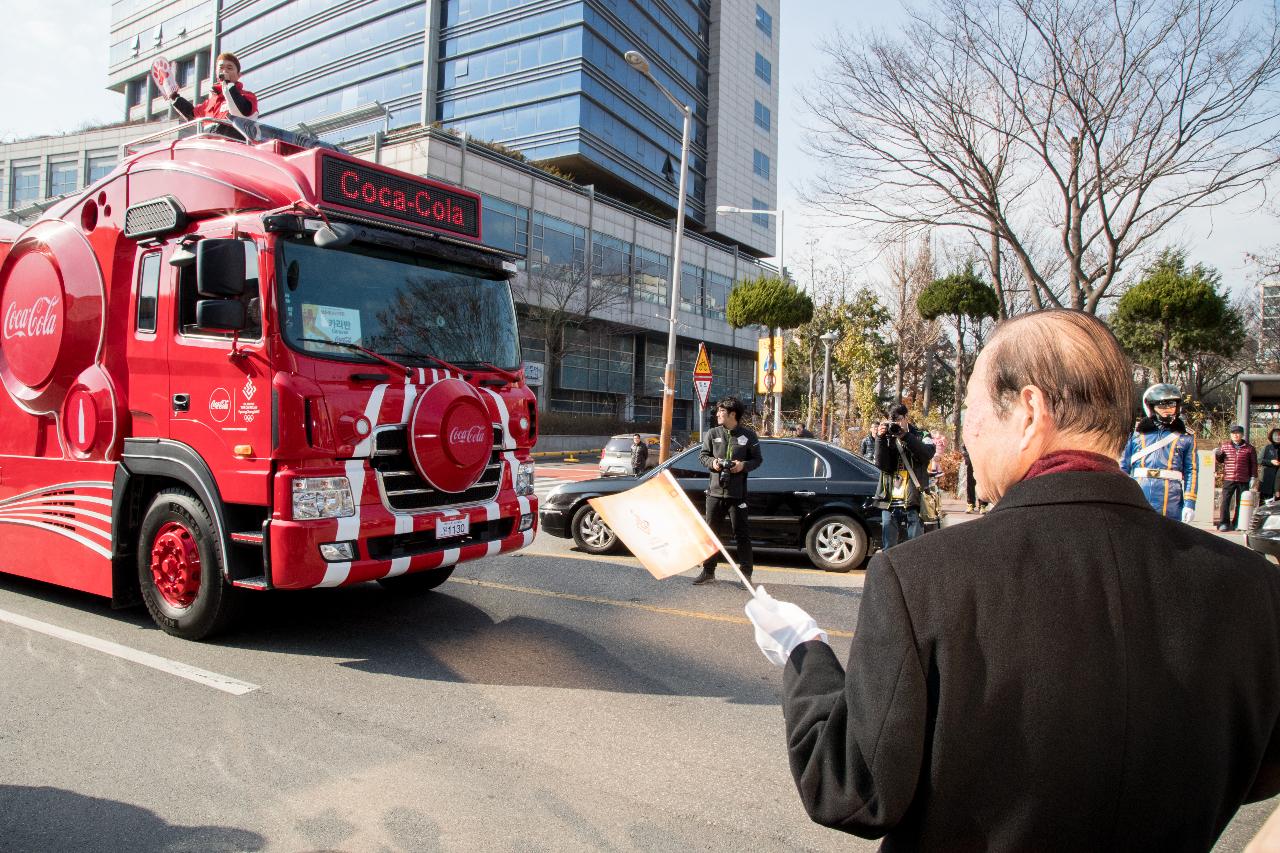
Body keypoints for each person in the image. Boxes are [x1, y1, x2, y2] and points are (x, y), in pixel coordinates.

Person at [745, 309, 1280, 851]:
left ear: (1029, 411)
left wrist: (804, 651)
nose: (967, 433)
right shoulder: (1253, 587)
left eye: (971, 410)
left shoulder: (922, 578)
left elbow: (850, 788)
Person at [694, 397, 762, 584]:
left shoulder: (749, 436)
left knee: (741, 535)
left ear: (733, 414)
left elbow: (757, 460)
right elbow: (703, 456)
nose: (717, 414)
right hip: (714, 492)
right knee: (711, 533)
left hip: (737, 494)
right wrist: (713, 463)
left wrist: (743, 466)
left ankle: (746, 575)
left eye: (721, 411)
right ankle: (708, 571)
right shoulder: (713, 433)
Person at [1121, 383, 1198, 522]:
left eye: (1172, 405)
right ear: (1151, 407)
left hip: (1171, 498)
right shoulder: (1136, 434)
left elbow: (1191, 471)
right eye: (1162, 405)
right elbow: (1123, 467)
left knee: (1169, 538)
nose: (1168, 410)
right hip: (1139, 491)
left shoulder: (1185, 437)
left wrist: (1190, 503)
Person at [872, 404, 935, 550]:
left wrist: (905, 436)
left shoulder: (921, 435)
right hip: (889, 496)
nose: (896, 424)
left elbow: (927, 454)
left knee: (914, 546)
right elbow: (881, 465)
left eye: (899, 420)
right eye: (892, 421)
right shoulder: (887, 436)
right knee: (889, 546)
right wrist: (880, 440)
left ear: (906, 417)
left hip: (913, 495)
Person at [169, 52, 259, 122]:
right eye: (221, 68)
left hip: (232, 143)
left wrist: (227, 83)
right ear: (216, 73)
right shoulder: (210, 102)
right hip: (210, 144)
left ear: (238, 75)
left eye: (229, 68)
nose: (224, 71)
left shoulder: (248, 96)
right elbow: (193, 114)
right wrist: (175, 97)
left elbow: (243, 112)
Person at [1216, 425, 1259, 531]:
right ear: (1230, 435)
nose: (1235, 435)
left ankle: (1238, 523)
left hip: (1243, 478)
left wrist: (1253, 477)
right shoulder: (1225, 446)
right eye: (1233, 433)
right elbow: (1220, 460)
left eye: (1238, 433)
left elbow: (1254, 464)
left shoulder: (1249, 448)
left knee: (1241, 502)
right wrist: (1218, 454)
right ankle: (1224, 523)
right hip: (1229, 478)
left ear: (1242, 434)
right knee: (1225, 501)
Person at [961, 445, 988, 513]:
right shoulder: (970, 435)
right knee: (970, 483)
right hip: (971, 461)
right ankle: (970, 504)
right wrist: (968, 458)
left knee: (982, 483)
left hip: (982, 461)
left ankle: (983, 505)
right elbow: (964, 447)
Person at [1261, 428, 1280, 504]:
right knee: (1265, 503)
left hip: (1278, 481)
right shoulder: (1267, 448)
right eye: (1276, 435)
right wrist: (1270, 462)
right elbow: (1259, 460)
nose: (1278, 437)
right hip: (1267, 479)